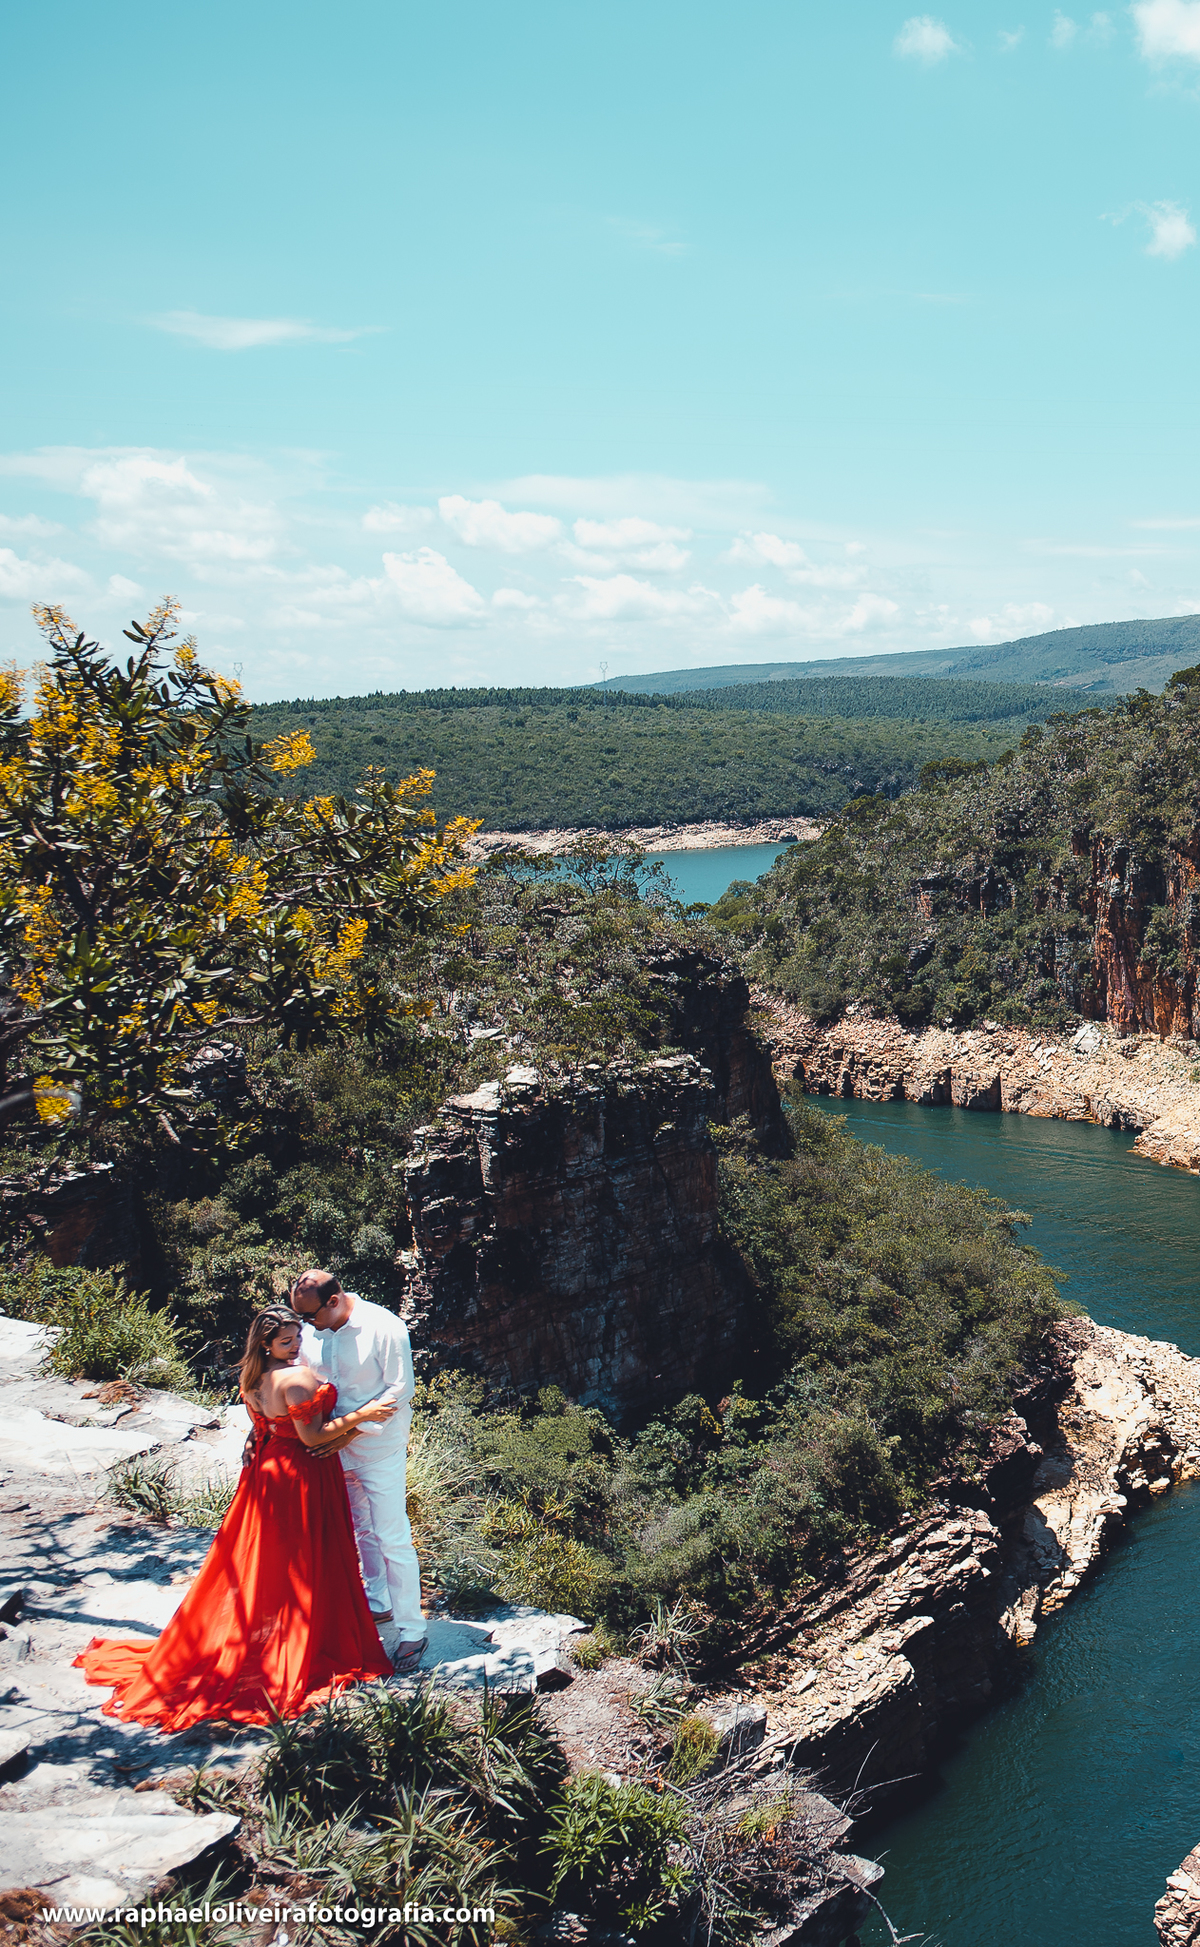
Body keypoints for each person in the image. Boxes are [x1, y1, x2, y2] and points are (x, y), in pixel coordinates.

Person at [74, 1305, 396, 1730]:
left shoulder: (253, 1377)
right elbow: (313, 1437)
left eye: (298, 1337)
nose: (297, 1346)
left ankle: (274, 1634)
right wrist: (363, 1419)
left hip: (266, 1473)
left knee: (267, 1564)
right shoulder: (295, 1378)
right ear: (266, 1343)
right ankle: (302, 1640)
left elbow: (261, 1424)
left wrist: (256, 1441)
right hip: (301, 1475)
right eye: (287, 1341)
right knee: (302, 1563)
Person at [290, 1268, 427, 1671]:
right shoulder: (311, 1330)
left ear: (334, 1301)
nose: (305, 1325)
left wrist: (351, 1433)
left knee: (391, 1536)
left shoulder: (385, 1327)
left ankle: (412, 1631)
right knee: (359, 1529)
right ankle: (378, 1602)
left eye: (310, 1316)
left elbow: (400, 1390)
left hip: (379, 1447)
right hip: (329, 1446)